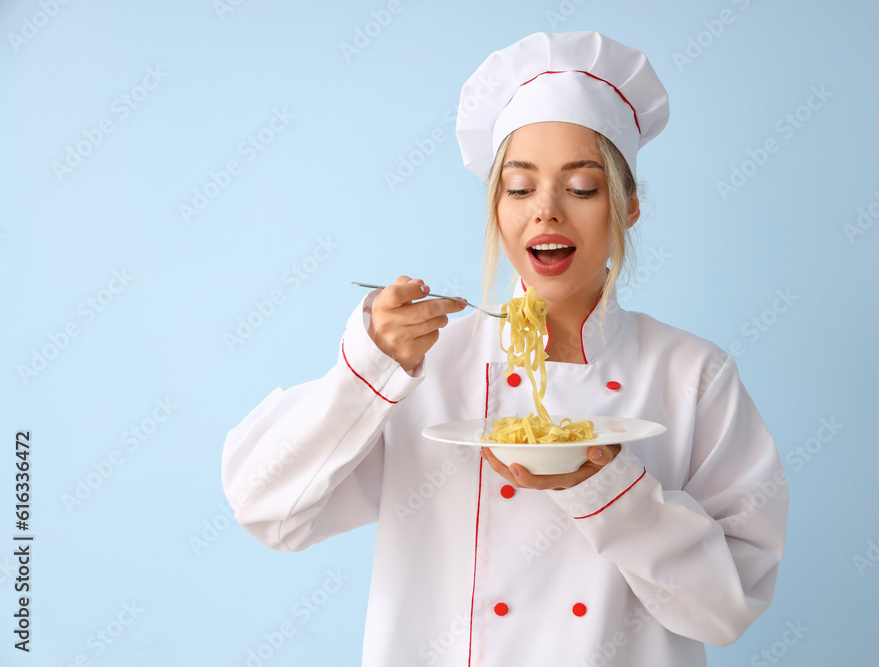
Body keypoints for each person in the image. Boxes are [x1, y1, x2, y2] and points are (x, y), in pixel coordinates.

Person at [222, 30, 788, 667]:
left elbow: (728, 606)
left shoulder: (692, 374)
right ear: (496, 208)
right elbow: (266, 509)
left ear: (628, 208)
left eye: (581, 188)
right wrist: (368, 370)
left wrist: (612, 491)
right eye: (519, 189)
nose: (546, 212)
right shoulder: (424, 364)